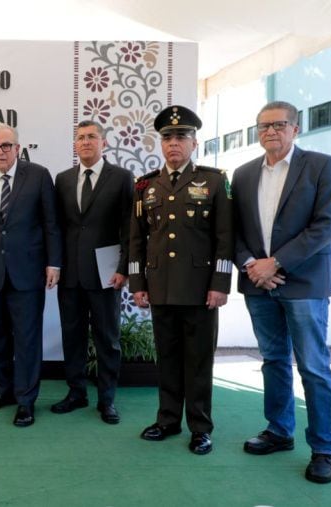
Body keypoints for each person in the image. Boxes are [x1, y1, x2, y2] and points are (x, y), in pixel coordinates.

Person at [232, 101, 331, 483]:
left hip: (304, 282)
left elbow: (325, 226)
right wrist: (252, 265)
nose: (270, 132)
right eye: (263, 126)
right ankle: (279, 430)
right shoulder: (244, 174)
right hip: (257, 283)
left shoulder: (323, 166)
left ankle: (325, 446)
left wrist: (275, 263)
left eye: (279, 125)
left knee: (313, 365)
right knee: (273, 359)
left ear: (296, 129)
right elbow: (234, 232)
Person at [128, 105, 233, 454]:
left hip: (201, 290)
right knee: (168, 358)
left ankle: (200, 427)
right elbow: (136, 240)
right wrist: (137, 284)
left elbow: (225, 238)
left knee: (199, 361)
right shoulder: (146, 186)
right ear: (160, 143)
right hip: (160, 288)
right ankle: (167, 420)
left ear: (194, 142)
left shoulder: (214, 181)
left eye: (181, 137)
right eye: (168, 137)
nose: (174, 143)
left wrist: (220, 283)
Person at [0, 122, 62, 427]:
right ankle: (3, 392)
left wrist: (54, 263)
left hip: (28, 272)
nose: (0, 151)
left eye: (6, 145)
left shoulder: (38, 176)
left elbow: (51, 222)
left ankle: (26, 401)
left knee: (27, 339)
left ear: (17, 148)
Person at [52, 120, 133, 424]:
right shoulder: (62, 179)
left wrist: (125, 268)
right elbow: (57, 227)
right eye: (80, 138)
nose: (85, 142)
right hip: (70, 273)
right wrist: (55, 265)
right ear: (75, 145)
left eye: (91, 137)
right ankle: (76, 393)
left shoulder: (122, 177)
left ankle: (107, 399)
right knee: (71, 336)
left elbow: (130, 228)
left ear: (104, 143)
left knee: (107, 338)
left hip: (106, 272)